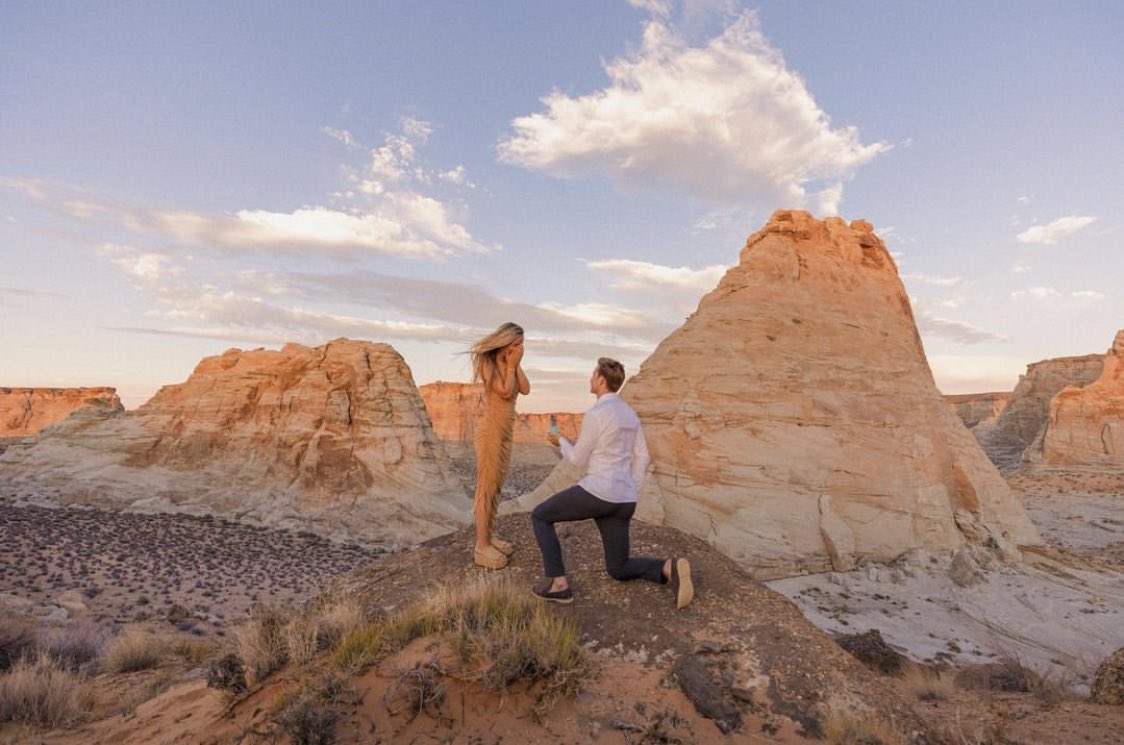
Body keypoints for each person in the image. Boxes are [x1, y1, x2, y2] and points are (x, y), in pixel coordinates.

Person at [531, 357, 692, 609]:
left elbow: (577, 459)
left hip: (598, 493)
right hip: (624, 500)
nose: (590, 379)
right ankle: (668, 567)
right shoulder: (630, 414)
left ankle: (559, 585)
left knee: (540, 516)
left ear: (601, 380)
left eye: (593, 375)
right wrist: (630, 488)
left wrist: (560, 440)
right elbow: (643, 457)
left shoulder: (597, 414)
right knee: (618, 567)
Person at [470, 322, 530, 570]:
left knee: (496, 487)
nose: (520, 348)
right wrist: (511, 365)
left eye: (522, 345)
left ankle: (489, 536)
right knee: (486, 487)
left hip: (505, 431)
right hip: (490, 431)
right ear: (505, 342)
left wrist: (515, 364)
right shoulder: (489, 364)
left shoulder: (510, 364)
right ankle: (480, 547)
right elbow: (505, 392)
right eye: (516, 344)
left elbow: (525, 389)